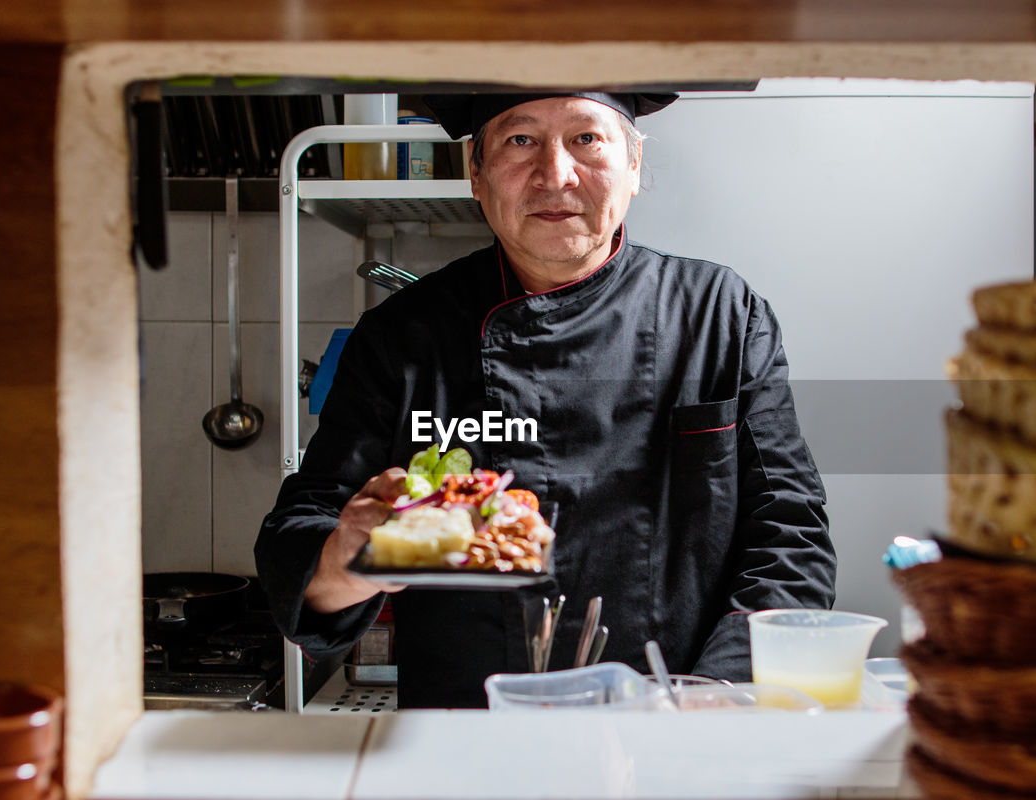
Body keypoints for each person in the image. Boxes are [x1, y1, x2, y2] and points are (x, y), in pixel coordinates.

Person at [255, 91, 837, 709]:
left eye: (586, 139)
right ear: (474, 175)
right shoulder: (401, 336)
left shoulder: (720, 315)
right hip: (468, 735)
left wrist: (713, 694)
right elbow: (302, 535)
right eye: (520, 140)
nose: (555, 174)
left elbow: (790, 540)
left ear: (634, 165)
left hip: (679, 733)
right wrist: (348, 558)